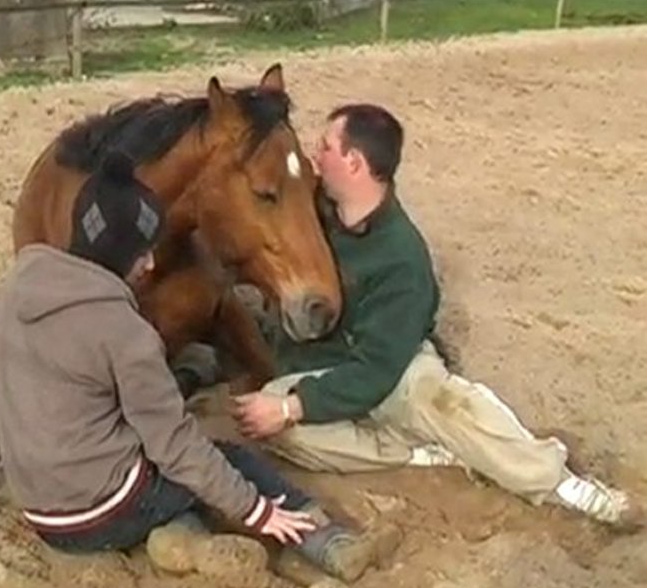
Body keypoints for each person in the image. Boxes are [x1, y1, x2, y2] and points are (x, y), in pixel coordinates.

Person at [0, 150, 402, 585]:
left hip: (45, 515)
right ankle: (329, 542)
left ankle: (180, 538)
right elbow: (173, 444)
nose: (152, 263)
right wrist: (258, 511)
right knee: (227, 458)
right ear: (123, 255)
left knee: (160, 472)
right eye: (144, 252)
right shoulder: (124, 331)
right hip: (106, 507)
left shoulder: (10, 295)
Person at [230, 103, 643, 532]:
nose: (316, 155)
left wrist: (293, 404)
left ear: (353, 162)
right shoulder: (312, 210)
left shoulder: (403, 258)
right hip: (321, 368)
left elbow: (378, 368)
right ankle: (417, 451)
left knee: (445, 403)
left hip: (392, 371)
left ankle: (560, 484)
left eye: (326, 146)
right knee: (271, 427)